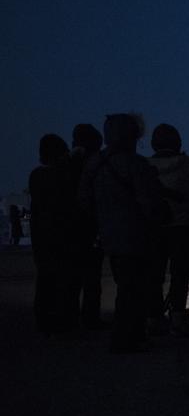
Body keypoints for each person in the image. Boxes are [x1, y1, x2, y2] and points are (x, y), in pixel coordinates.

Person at [79, 114, 168, 353]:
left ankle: (129, 335)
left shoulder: (95, 164)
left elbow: (85, 201)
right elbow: (150, 203)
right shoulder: (136, 165)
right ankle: (127, 337)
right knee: (134, 289)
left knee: (126, 285)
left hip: (108, 233)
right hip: (137, 234)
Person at [149, 124, 189, 334]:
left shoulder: (147, 166)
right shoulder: (187, 165)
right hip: (182, 226)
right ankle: (177, 316)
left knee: (155, 274)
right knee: (180, 274)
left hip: (155, 227)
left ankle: (154, 315)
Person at [29, 134, 74, 334]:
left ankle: (44, 319)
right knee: (61, 279)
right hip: (60, 233)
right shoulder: (61, 176)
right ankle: (60, 320)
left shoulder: (37, 176)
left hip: (41, 234)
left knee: (45, 279)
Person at [67, 124, 105, 329]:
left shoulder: (66, 165)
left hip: (69, 229)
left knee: (72, 279)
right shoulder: (95, 166)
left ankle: (70, 319)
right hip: (90, 228)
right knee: (92, 278)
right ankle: (91, 318)